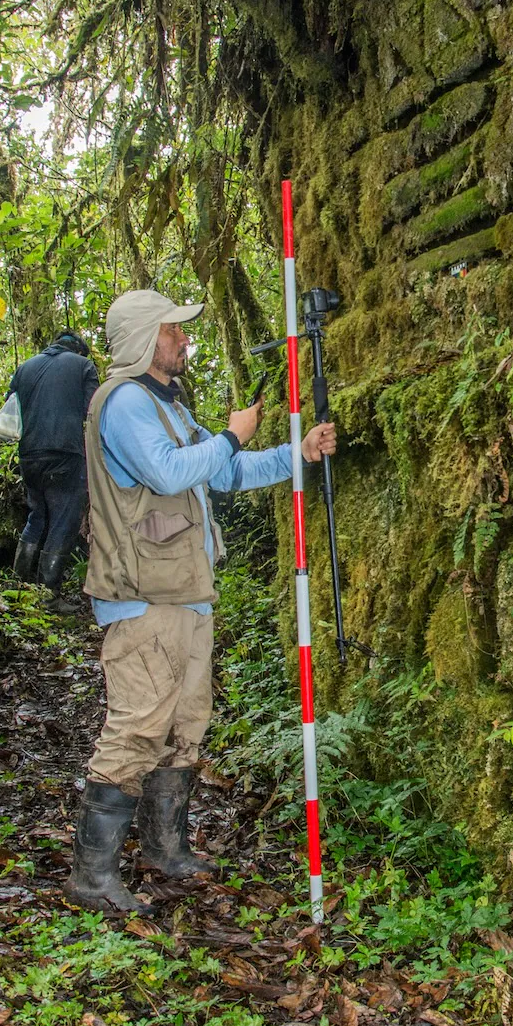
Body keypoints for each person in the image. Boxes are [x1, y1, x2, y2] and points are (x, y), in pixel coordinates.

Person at [65, 290, 337, 915]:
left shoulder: (167, 406)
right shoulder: (126, 402)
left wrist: (297, 454)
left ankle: (165, 848)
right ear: (141, 340)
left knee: (185, 726)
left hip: (186, 593)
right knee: (137, 726)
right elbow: (167, 473)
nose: (184, 341)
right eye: (172, 331)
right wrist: (230, 434)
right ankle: (92, 874)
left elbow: (224, 474)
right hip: (142, 598)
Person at [8, 331, 100, 596]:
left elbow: (11, 410)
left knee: (37, 516)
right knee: (63, 521)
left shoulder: (25, 367)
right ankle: (48, 597)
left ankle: (18, 589)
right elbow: (91, 411)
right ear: (79, 350)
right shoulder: (83, 366)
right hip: (65, 454)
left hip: (28, 456)